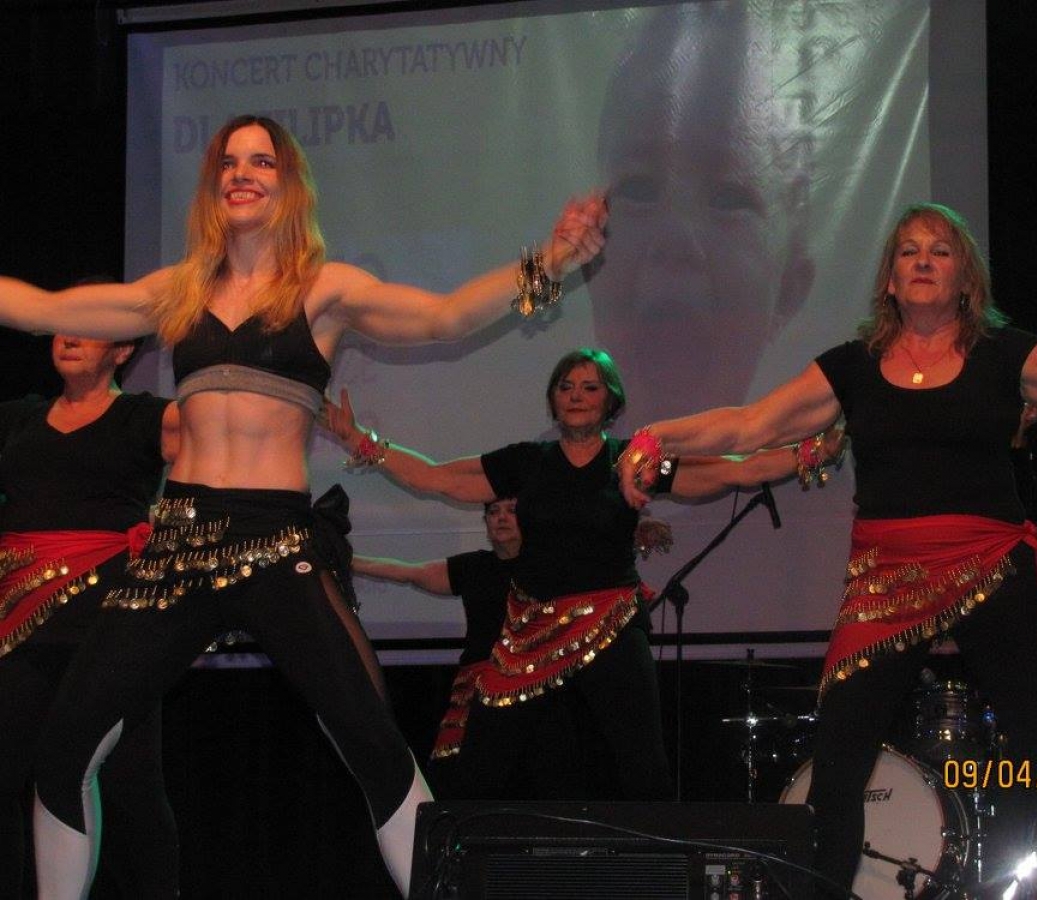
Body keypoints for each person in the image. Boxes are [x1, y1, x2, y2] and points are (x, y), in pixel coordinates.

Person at [0, 113, 606, 898]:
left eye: (261, 162)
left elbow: (446, 316)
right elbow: (43, 308)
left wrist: (552, 261)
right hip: (180, 546)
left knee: (373, 746)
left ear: (287, 184)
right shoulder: (179, 292)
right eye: (230, 162)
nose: (242, 173)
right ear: (214, 185)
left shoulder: (323, 288)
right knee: (65, 747)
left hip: (273, 543)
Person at [617, 203, 1037, 899]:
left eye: (941, 251)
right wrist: (658, 436)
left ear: (965, 279)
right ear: (890, 280)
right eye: (909, 250)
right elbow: (751, 425)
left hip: (990, 564)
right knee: (837, 764)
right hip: (885, 578)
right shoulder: (852, 367)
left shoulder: (1006, 354)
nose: (924, 260)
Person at [324, 347, 825, 801]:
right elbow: (439, 477)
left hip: (611, 625)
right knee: (480, 768)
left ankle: (655, 863)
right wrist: (362, 441)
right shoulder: (527, 462)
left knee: (643, 765)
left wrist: (804, 453)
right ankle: (460, 861)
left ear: (611, 401)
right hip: (531, 633)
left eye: (590, 387)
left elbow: (730, 470)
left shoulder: (631, 461)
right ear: (553, 401)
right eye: (566, 387)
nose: (577, 396)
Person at [0, 332, 180, 899]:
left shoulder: (148, 417)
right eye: (62, 325)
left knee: (131, 785)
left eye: (88, 327)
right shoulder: (16, 419)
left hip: (113, 628)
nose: (70, 336)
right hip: (20, 627)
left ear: (123, 351)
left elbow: (229, 443)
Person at [584, 3, 816, 423]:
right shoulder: (542, 464)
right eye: (639, 190)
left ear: (787, 290)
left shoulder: (813, 463)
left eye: (728, 198)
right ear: (588, 263)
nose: (675, 239)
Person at [353, 496, 521, 795]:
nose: (501, 518)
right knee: (462, 771)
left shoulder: (548, 566)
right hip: (478, 686)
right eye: (493, 512)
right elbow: (409, 572)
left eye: (511, 511)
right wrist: (348, 560)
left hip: (531, 683)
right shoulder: (474, 567)